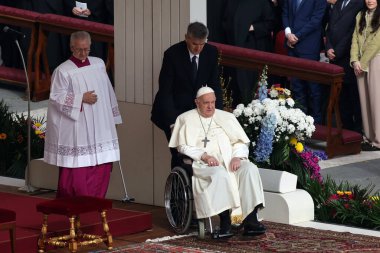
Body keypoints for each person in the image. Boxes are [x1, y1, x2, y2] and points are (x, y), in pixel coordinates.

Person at [169, 86, 266, 238]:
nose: (210, 106)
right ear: (197, 102)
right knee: (220, 174)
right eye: (206, 103)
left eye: (213, 102)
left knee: (250, 169)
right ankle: (225, 222)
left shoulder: (226, 117)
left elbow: (240, 141)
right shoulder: (186, 119)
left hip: (230, 160)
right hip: (204, 164)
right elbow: (182, 146)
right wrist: (204, 156)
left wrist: (237, 157)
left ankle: (251, 220)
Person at [43, 31, 122, 198]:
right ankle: (76, 203)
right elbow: (56, 98)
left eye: (86, 49)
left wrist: (112, 117)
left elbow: (108, 91)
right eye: (79, 49)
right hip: (78, 127)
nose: (83, 53)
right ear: (72, 48)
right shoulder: (63, 71)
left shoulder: (99, 64)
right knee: (79, 168)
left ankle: (96, 202)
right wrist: (80, 98)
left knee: (101, 166)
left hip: (100, 124)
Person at [151, 22, 223, 168]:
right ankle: (178, 189)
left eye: (202, 44)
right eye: (194, 44)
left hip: (198, 112)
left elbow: (215, 86)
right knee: (181, 156)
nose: (198, 48)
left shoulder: (211, 52)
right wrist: (173, 123)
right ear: (186, 38)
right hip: (175, 110)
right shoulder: (172, 55)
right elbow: (166, 91)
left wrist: (217, 114)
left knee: (202, 154)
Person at [222, 0, 275, 105]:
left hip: (254, 49)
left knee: (252, 86)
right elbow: (225, 21)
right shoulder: (232, 2)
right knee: (236, 85)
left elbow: (271, 23)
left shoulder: (263, 2)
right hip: (235, 50)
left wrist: (253, 28)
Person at [282, 0, 327, 124]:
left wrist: (297, 36)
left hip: (309, 46)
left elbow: (315, 21)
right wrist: (288, 34)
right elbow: (285, 13)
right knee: (296, 85)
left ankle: (316, 123)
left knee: (313, 86)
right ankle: (299, 121)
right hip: (292, 46)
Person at [325, 0, 364, 133]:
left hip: (348, 57)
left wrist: (338, 51)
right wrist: (328, 47)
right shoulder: (338, 3)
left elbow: (353, 33)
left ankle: (358, 130)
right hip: (334, 56)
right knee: (341, 96)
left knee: (354, 95)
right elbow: (329, 28)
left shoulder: (359, 4)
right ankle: (346, 128)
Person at [350, 0, 380, 151]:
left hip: (376, 60)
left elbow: (376, 42)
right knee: (365, 100)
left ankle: (378, 140)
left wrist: (362, 61)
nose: (370, 0)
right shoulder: (360, 15)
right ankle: (368, 138)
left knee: (376, 101)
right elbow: (355, 38)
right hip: (360, 63)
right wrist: (355, 60)